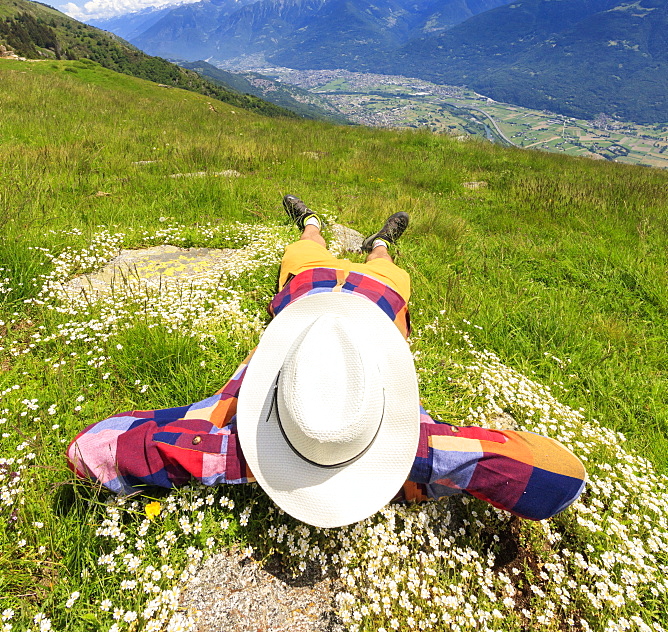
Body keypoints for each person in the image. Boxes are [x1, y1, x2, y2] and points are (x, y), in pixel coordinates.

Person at [67, 196, 586, 529]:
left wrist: (244, 458)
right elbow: (560, 477)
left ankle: (374, 241)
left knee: (340, 259)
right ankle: (319, 224)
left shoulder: (229, 431)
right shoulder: (233, 436)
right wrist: (413, 454)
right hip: (366, 302)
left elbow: (94, 447)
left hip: (310, 295)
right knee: (334, 255)